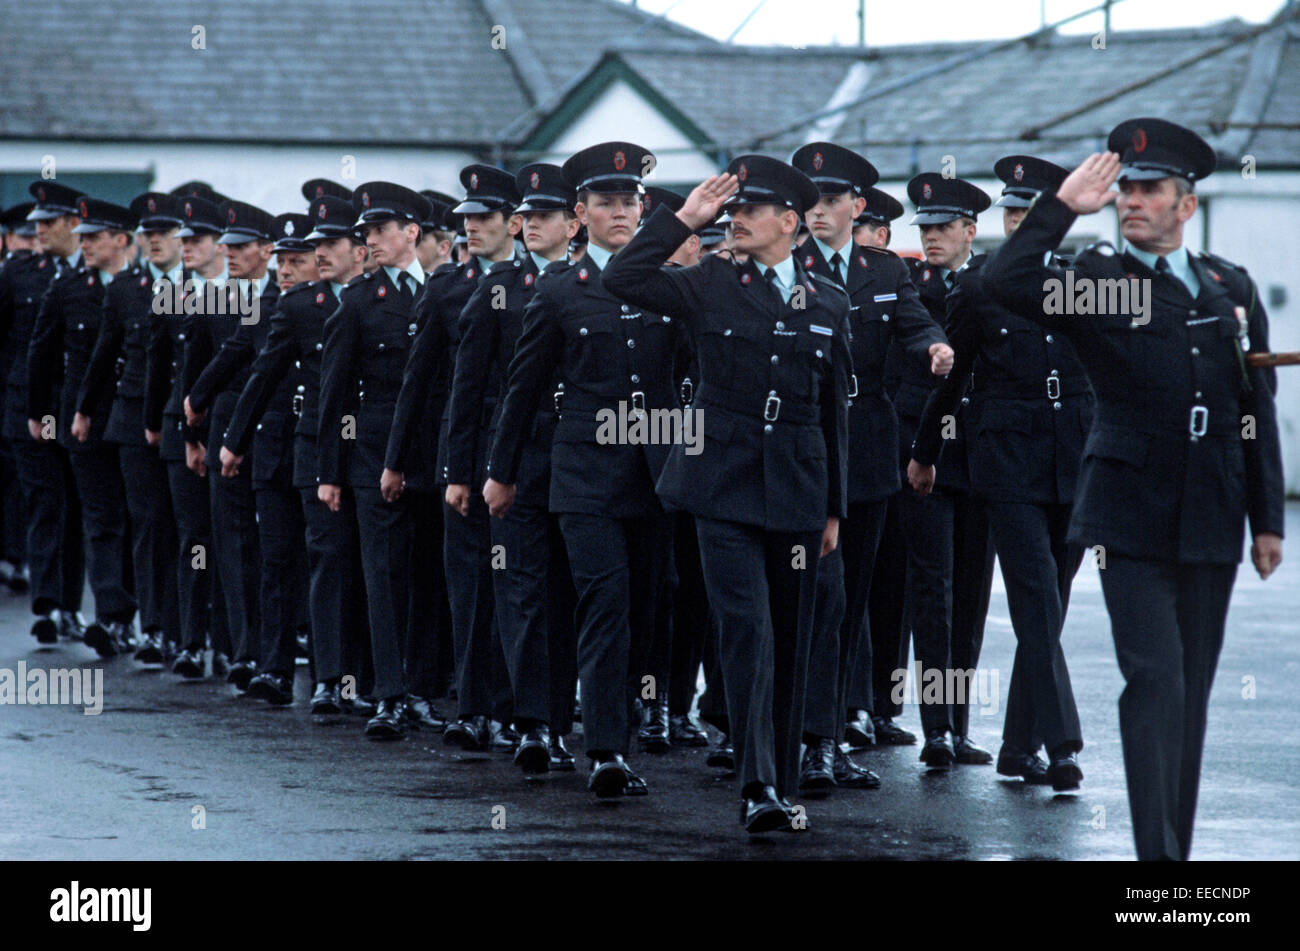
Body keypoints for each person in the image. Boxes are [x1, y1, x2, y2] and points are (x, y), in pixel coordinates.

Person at [983, 118, 1284, 860]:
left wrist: (1268, 517)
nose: (1132, 202)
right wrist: (1060, 208)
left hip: (1211, 515)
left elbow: (1255, 407)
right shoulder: (1100, 283)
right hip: (1128, 516)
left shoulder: (1229, 288)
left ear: (1187, 204)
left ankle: (1172, 860)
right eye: (1127, 190)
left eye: (1150, 191)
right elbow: (1007, 281)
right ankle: (1157, 868)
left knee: (1190, 699)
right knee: (1153, 682)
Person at [603, 155, 851, 832]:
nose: (736, 219)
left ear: (790, 223)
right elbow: (621, 275)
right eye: (732, 210)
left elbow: (835, 412)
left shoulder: (829, 299)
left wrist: (835, 505)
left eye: (749, 211)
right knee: (749, 633)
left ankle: (785, 776)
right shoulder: (709, 281)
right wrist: (682, 218)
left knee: (794, 639)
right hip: (721, 485)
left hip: (799, 489)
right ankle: (759, 784)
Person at [485, 142, 672, 799]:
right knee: (605, 602)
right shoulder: (560, 289)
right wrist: (500, 471)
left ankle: (611, 729)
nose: (618, 212)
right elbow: (523, 386)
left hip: (653, 476)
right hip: (583, 476)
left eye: (628, 201)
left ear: (642, 208)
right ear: (580, 212)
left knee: (642, 612)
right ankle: (605, 748)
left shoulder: (664, 284)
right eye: (604, 202)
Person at [909, 155, 1090, 789]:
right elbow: (955, 377)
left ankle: (1018, 746)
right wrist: (925, 452)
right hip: (1005, 462)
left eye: (1029, 212)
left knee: (1054, 605)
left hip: (1074, 461)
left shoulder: (1083, 282)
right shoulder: (980, 286)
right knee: (1036, 600)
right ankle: (1063, 742)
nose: (1018, 221)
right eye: (1012, 211)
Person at [790, 142, 952, 795]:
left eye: (833, 200)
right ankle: (797, 737)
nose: (820, 210)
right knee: (813, 599)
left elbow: (915, 327)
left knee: (850, 604)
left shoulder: (884, 271)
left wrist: (936, 347)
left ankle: (828, 737)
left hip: (867, 452)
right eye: (812, 199)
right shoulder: (783, 266)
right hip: (804, 453)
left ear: (857, 207)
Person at [443, 162, 580, 772]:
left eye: (546, 217)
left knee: (568, 594)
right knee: (520, 591)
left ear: (572, 224)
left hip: (580, 460)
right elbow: (467, 389)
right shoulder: (498, 287)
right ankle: (531, 724)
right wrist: (460, 472)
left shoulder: (591, 282)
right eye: (527, 217)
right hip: (515, 461)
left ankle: (556, 716)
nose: (533, 227)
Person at [317, 182, 434, 738]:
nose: (373, 241)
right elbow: (334, 394)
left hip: (433, 453)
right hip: (371, 453)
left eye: (383, 230)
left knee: (430, 574)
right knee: (382, 575)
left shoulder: (441, 291)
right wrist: (330, 473)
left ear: (412, 232)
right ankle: (389, 693)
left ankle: (425, 689)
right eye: (366, 232)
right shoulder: (358, 302)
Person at [896, 172, 997, 768]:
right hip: (923, 455)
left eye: (943, 227)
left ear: (969, 231)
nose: (932, 237)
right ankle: (935, 727)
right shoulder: (912, 288)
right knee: (932, 592)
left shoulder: (990, 285)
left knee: (971, 596)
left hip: (978, 454)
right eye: (926, 227)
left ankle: (959, 725)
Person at [29, 197, 139, 656]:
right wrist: (40, 414)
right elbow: (43, 352)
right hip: (84, 421)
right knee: (101, 517)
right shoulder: (68, 286)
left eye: (95, 238)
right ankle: (111, 616)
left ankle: (143, 620)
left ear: (121, 240)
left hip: (135, 418)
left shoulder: (146, 288)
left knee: (140, 517)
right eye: (84, 237)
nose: (85, 245)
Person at [183, 198, 279, 690]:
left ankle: (276, 647)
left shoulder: (286, 293)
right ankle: (242, 650)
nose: (231, 253)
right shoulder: (213, 300)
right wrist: (192, 437)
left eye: (242, 246)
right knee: (233, 541)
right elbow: (193, 377)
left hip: (277, 427)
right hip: (226, 428)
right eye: (227, 245)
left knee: (278, 545)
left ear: (267, 250)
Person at [2, 183, 87, 644]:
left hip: (74, 409)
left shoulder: (89, 276)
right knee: (45, 501)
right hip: (28, 410)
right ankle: (48, 604)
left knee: (74, 506)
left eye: (47, 223)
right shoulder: (17, 273)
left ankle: (70, 607)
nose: (38, 231)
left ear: (73, 224)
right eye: (34, 224)